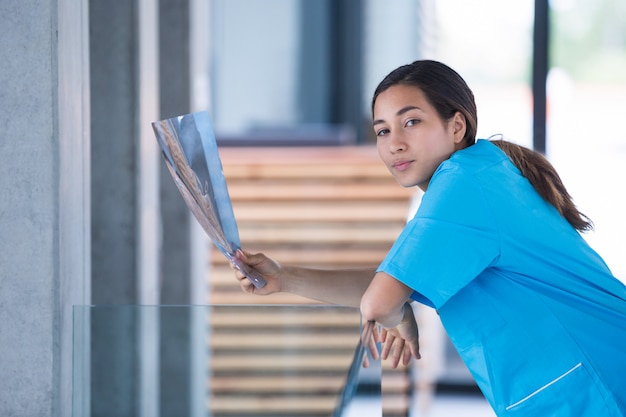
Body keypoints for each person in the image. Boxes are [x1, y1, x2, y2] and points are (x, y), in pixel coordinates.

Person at [232, 60, 626, 416]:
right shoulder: (480, 172)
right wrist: (285, 278)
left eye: (412, 122)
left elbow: (379, 300)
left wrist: (395, 309)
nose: (395, 143)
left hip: (598, 381)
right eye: (382, 130)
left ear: (456, 126)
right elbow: (389, 285)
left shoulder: (464, 184)